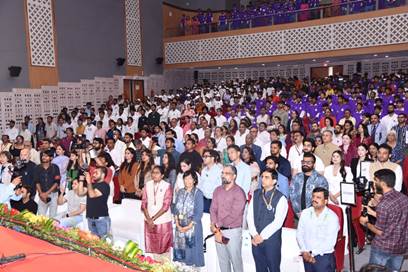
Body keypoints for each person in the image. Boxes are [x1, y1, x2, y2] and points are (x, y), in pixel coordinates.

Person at [359, 169, 408, 271]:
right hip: (400, 246)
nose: (374, 183)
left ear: (383, 183)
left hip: (383, 247)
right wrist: (372, 212)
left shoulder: (384, 204)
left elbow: (380, 231)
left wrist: (365, 223)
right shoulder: (403, 198)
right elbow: (393, 217)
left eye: (375, 180)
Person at [247, 169, 288, 272]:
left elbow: (278, 222)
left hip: (271, 240)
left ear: (274, 181)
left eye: (266, 177)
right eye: (262, 177)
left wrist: (262, 236)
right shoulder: (256, 194)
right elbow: (249, 216)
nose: (263, 179)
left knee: (273, 267)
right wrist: (254, 234)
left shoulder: (281, 198)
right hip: (256, 237)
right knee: (259, 268)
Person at [210, 165, 246, 272]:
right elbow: (213, 209)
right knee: (223, 261)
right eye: (222, 173)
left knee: (236, 262)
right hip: (218, 231)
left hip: (232, 232)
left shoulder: (239, 192)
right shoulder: (217, 190)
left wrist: (217, 226)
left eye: (227, 173)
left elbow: (234, 215)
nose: (223, 175)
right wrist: (215, 227)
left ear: (234, 176)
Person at [297, 187, 339, 272]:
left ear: (326, 201)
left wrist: (312, 253)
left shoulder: (332, 217)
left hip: (323, 257)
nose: (314, 199)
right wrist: (305, 251)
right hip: (306, 255)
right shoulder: (305, 213)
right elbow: (299, 233)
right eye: (313, 196)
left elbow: (330, 242)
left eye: (318, 197)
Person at [173, 170, 205, 268]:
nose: (187, 181)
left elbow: (199, 213)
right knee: (181, 254)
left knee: (193, 253)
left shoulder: (198, 193)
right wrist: (178, 224)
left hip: (193, 228)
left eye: (190, 178)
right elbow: (175, 209)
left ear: (195, 180)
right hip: (180, 227)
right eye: (185, 178)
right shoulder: (180, 192)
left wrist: (187, 227)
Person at [141, 166, 173, 257]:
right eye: (153, 172)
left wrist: (152, 219)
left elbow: (165, 206)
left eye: (157, 173)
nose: (154, 175)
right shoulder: (148, 184)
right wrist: (149, 219)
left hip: (163, 220)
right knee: (152, 245)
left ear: (162, 175)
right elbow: (144, 203)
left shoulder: (167, 186)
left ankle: (165, 268)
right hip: (149, 220)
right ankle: (155, 267)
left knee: (164, 247)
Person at [289, 152, 329, 217]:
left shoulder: (321, 180)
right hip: (297, 215)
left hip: (314, 216)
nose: (305, 164)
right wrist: (297, 212)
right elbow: (291, 195)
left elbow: (321, 200)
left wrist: (307, 213)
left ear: (314, 164)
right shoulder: (296, 177)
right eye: (303, 162)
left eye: (308, 163)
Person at [78, 167, 110, 238]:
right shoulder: (92, 185)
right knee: (94, 242)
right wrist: (81, 179)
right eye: (93, 173)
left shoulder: (105, 185)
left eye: (96, 173)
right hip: (90, 218)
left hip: (101, 219)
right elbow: (80, 193)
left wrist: (89, 182)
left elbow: (92, 195)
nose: (94, 174)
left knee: (105, 243)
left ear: (103, 175)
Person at [34, 150, 61, 217]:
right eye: (43, 155)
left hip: (53, 194)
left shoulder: (55, 167)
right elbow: (37, 182)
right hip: (42, 194)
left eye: (46, 156)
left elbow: (56, 182)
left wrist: (47, 193)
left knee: (53, 216)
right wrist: (41, 194)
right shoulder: (37, 168)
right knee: (40, 216)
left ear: (51, 158)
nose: (44, 157)